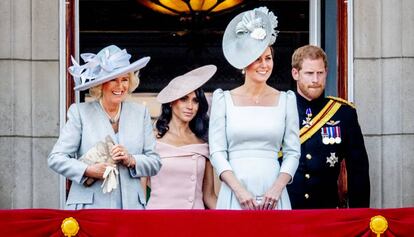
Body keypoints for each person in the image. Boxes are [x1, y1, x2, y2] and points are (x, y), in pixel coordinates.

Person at [48, 45, 161, 209]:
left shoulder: (140, 113)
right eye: (113, 79)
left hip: (130, 209)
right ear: (101, 84)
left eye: (124, 79)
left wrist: (132, 160)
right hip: (90, 208)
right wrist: (88, 170)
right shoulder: (80, 112)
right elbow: (56, 158)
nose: (120, 86)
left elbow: (155, 162)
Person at [209, 7, 300, 210]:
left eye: (268, 58)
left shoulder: (286, 100)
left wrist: (276, 189)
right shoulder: (223, 99)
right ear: (243, 63)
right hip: (235, 193)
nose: (264, 64)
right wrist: (239, 191)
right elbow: (217, 152)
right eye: (257, 58)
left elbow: (293, 152)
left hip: (274, 195)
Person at [287, 44, 370, 209]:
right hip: (286, 210)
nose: (315, 80)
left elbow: (358, 170)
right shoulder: (281, 108)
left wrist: (359, 215)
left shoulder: (343, 113)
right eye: (309, 73)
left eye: (320, 73)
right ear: (295, 73)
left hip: (326, 210)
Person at [144, 65, 218, 209]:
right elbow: (140, 190)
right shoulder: (151, 141)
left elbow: (209, 196)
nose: (190, 106)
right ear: (171, 102)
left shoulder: (203, 144)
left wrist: (233, 223)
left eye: (195, 101)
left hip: (194, 223)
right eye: (184, 99)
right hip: (158, 220)